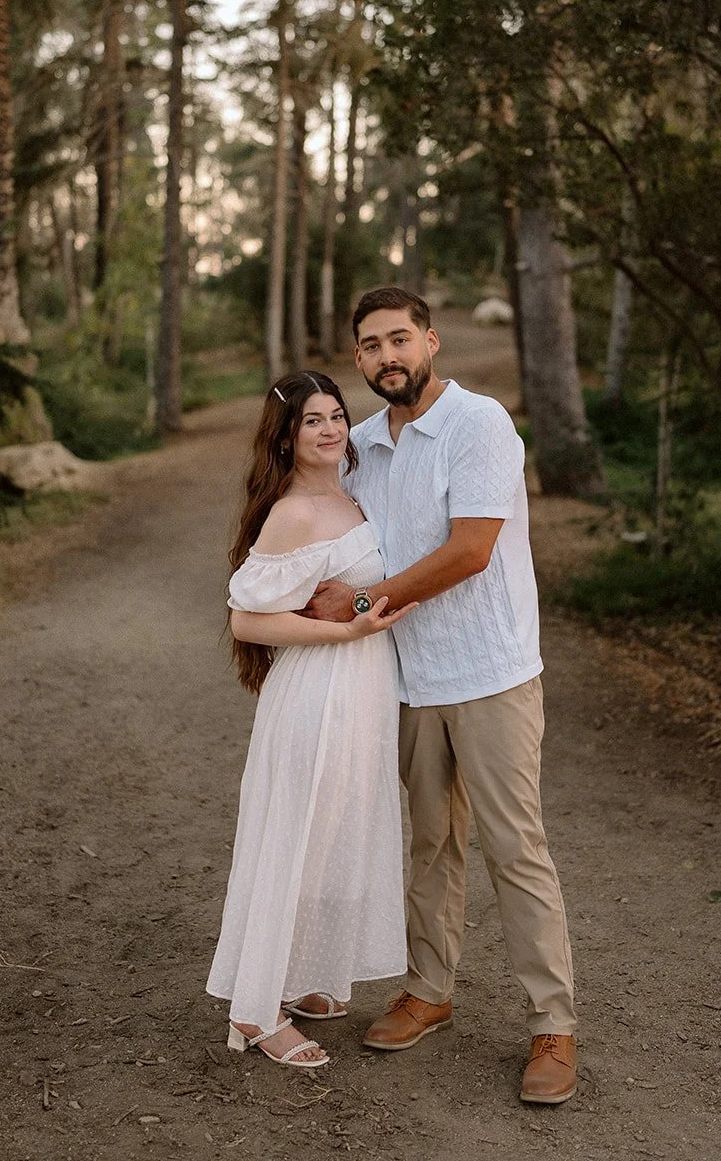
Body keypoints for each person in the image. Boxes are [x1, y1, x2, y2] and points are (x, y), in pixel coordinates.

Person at [306, 289, 579, 1104]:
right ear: (357, 361)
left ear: (429, 342)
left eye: (400, 338)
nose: (387, 355)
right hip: (407, 680)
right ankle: (429, 990)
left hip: (490, 673)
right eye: (370, 345)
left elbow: (470, 551)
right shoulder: (357, 446)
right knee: (429, 843)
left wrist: (358, 604)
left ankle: (552, 1027)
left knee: (514, 849)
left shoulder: (478, 424)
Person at [206, 370, 414, 1070]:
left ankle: (294, 980)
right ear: (287, 439)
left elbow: (357, 592)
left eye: (334, 416)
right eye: (311, 421)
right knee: (293, 844)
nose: (328, 429)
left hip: (361, 696)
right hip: (316, 696)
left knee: (332, 839)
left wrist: (362, 616)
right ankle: (256, 1010)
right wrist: (344, 635)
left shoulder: (352, 498)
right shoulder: (293, 511)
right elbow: (247, 617)